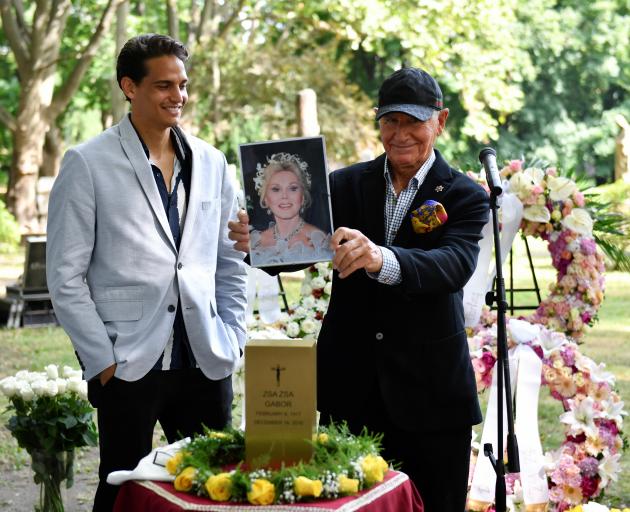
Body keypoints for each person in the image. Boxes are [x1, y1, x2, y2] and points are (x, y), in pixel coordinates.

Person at [229, 67, 489, 512]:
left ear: (440, 121)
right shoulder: (342, 185)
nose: (400, 133)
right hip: (350, 392)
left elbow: (453, 265)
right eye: (390, 121)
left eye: (413, 121)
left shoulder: (465, 194)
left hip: (432, 399)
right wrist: (258, 242)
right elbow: (296, 246)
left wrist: (381, 258)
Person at [46, 34, 247, 511]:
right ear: (129, 87)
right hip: (128, 362)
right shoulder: (86, 163)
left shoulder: (213, 161)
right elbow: (65, 277)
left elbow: (229, 260)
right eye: (163, 85)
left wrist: (233, 334)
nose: (177, 96)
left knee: (214, 490)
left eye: (182, 84)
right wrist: (103, 360)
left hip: (205, 356)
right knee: (121, 491)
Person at [249, 152, 331, 266]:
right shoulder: (255, 242)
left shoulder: (318, 240)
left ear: (302, 197)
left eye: (292, 188)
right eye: (276, 189)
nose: (284, 196)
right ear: (265, 198)